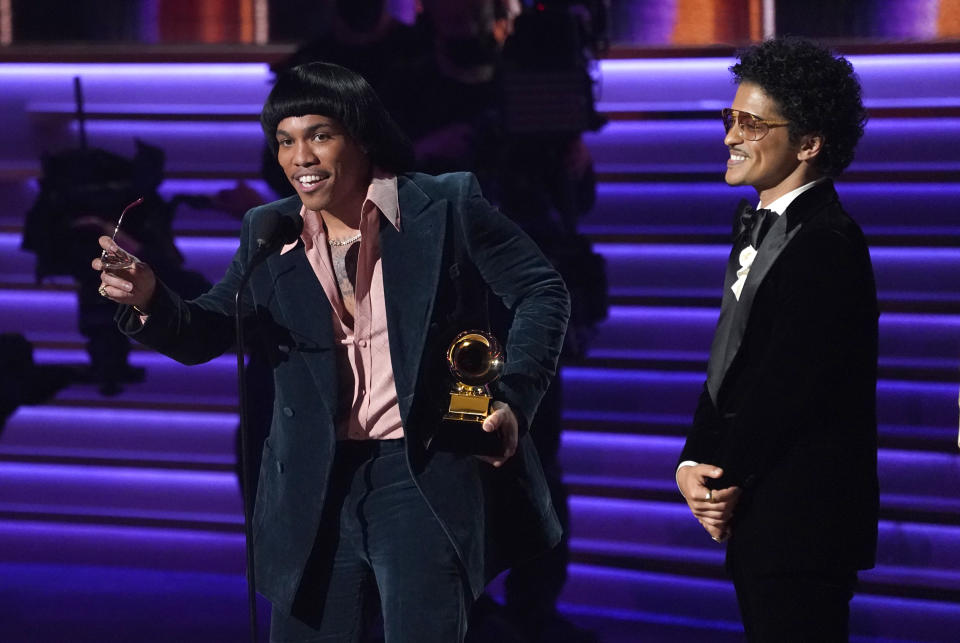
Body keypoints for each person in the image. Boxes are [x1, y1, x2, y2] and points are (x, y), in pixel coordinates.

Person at [92, 62, 569, 643]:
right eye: (285, 142)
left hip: (418, 472)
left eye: (319, 135)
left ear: (360, 136)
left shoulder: (444, 205)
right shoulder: (269, 230)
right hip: (312, 487)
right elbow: (209, 329)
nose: (301, 159)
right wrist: (150, 297)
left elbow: (542, 290)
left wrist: (514, 398)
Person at [675, 37, 879, 642]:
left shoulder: (827, 243)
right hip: (763, 514)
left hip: (803, 519)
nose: (730, 137)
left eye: (750, 123)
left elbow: (786, 384)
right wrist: (693, 460)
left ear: (809, 144)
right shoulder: (759, 229)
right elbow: (729, 363)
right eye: (729, 119)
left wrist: (721, 479)